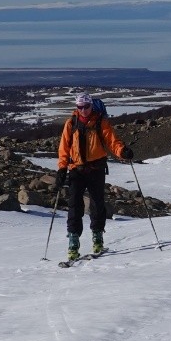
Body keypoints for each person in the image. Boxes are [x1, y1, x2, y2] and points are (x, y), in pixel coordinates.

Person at [56, 93, 134, 260]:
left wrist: (122, 152)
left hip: (96, 169)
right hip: (76, 169)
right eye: (80, 107)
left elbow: (113, 141)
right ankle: (73, 242)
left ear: (91, 106)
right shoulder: (71, 123)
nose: (83, 110)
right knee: (74, 206)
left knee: (97, 204)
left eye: (86, 106)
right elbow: (64, 148)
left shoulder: (101, 122)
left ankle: (97, 238)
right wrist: (62, 169)